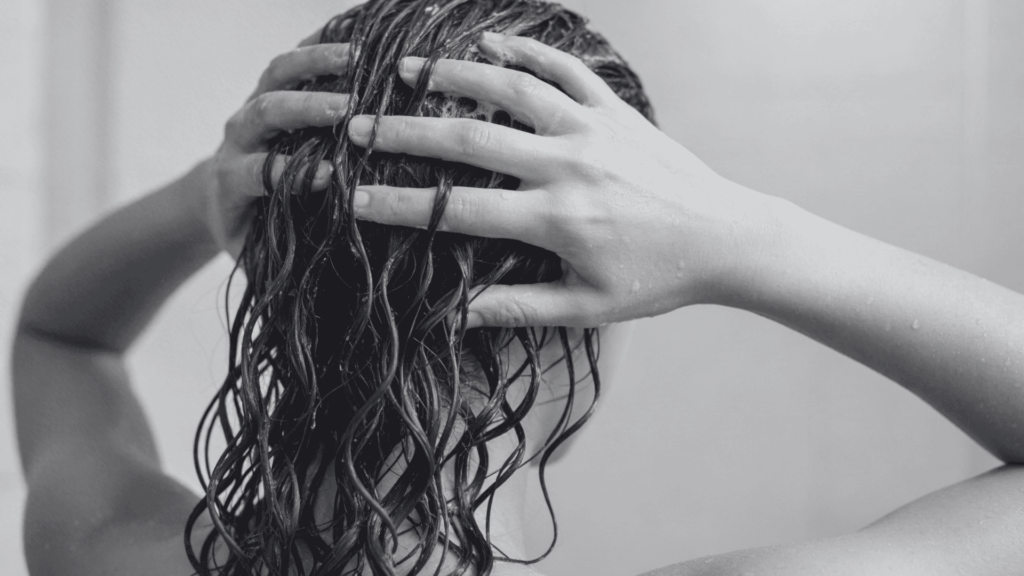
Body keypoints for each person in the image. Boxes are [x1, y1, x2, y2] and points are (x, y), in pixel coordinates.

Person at [12, 1, 1024, 576]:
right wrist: (740, 236)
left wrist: (208, 195)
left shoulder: (105, 548)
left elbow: (63, 337)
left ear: (280, 282)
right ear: (576, 330)